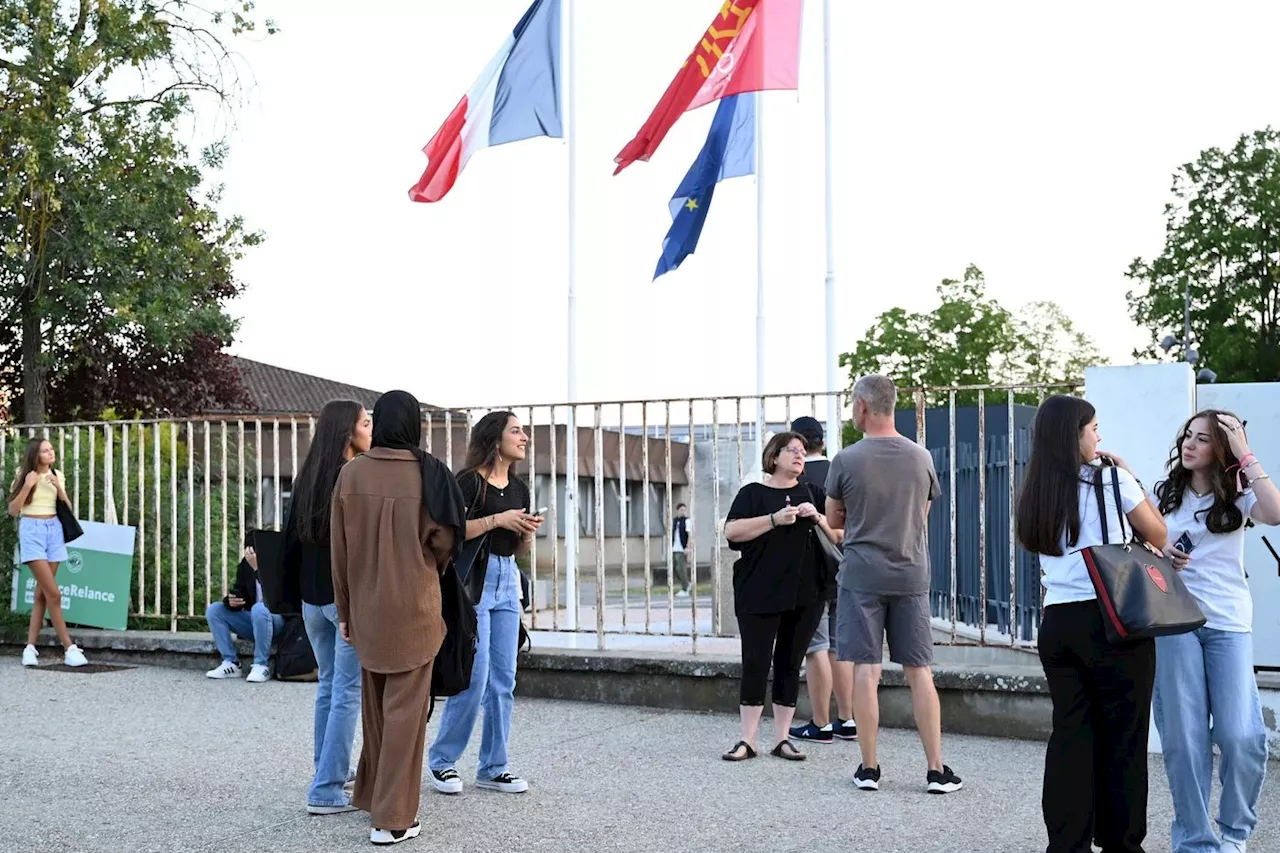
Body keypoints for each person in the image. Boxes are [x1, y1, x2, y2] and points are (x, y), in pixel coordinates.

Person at [1015, 395, 1168, 853]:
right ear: (1075, 434)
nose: (1099, 436)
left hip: (1059, 620)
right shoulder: (1113, 480)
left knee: (1071, 733)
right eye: (1094, 428)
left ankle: (1067, 843)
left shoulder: (1037, 488)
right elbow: (1158, 534)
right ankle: (1122, 842)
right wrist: (1130, 476)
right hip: (1114, 617)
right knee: (1124, 734)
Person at [331, 389, 465, 845]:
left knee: (376, 710)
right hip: (415, 608)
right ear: (415, 424)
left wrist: (346, 612)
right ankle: (392, 820)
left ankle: (372, 795)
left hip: (367, 611)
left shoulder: (349, 475)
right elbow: (445, 541)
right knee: (406, 717)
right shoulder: (429, 473)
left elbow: (339, 554)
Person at [825, 375, 962, 794]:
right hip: (910, 574)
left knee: (867, 669)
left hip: (863, 575)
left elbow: (834, 522)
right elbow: (921, 516)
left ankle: (869, 769)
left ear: (863, 407)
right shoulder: (921, 458)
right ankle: (936, 769)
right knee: (920, 671)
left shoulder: (846, 460)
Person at [1152, 410, 1280, 853]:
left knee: (1240, 735)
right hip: (1174, 622)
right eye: (1187, 435)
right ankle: (1195, 840)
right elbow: (1138, 546)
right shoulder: (1163, 494)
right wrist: (1160, 548)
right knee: (1185, 741)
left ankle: (1234, 833)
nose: (1189, 444)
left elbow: (1277, 512)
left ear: (1220, 449)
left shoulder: (1239, 498)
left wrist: (1244, 451)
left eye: (1203, 439)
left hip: (1227, 624)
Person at [429, 411, 543, 795]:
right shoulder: (467, 482)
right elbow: (452, 535)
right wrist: (498, 519)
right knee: (474, 679)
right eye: (517, 430)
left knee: (504, 680)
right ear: (496, 439)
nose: (524, 437)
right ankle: (442, 760)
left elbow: (520, 547)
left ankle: (494, 767)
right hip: (474, 581)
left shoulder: (520, 487)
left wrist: (526, 532)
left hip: (508, 577)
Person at [722, 431, 841, 762]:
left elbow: (839, 535)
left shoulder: (814, 493)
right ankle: (747, 740)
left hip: (806, 591)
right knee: (756, 662)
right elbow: (732, 531)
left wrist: (816, 516)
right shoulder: (753, 494)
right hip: (758, 590)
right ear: (774, 457)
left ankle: (782, 739)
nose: (800, 455)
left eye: (803, 451)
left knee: (790, 663)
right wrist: (774, 520)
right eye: (792, 450)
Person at [282, 400, 372, 815]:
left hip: (311, 600)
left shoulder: (307, 476)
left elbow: (291, 541)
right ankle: (327, 788)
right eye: (366, 423)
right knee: (346, 692)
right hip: (342, 601)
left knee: (330, 688)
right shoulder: (351, 476)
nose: (371, 429)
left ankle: (326, 771)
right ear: (348, 432)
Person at [787, 416, 857, 744]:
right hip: (844, 568)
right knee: (840, 648)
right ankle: (847, 718)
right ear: (823, 442)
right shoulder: (842, 472)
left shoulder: (790, 477)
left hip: (807, 572)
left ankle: (820, 722)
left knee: (816, 647)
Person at [8, 438, 88, 668]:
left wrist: (59, 488)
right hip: (32, 530)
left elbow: (68, 508)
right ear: (35, 454)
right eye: (45, 450)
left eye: (51, 449)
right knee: (54, 594)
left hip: (54, 530)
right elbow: (13, 510)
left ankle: (30, 649)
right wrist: (27, 485)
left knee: (42, 595)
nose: (50, 452)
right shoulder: (23, 474)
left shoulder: (57, 474)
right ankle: (69, 648)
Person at [205, 535, 286, 683]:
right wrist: (230, 601)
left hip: (279, 623)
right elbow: (239, 590)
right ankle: (231, 663)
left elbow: (278, 597)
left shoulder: (279, 563)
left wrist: (258, 569)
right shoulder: (245, 566)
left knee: (259, 609)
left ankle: (261, 665)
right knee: (215, 610)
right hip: (255, 623)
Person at [671, 503, 692, 597]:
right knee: (675, 568)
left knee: (681, 568)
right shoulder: (675, 521)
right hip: (674, 548)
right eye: (681, 510)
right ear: (678, 510)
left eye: (684, 510)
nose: (683, 511)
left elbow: (690, 535)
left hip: (682, 548)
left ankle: (685, 588)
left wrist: (688, 547)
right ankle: (687, 584)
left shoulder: (687, 521)